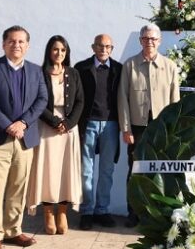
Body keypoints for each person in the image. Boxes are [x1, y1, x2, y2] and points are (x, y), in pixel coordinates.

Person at [0, 25, 48, 249]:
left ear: (27, 45)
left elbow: (42, 99)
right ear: (4, 44)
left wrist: (23, 123)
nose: (17, 45)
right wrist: (8, 125)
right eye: (12, 41)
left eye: (21, 42)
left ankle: (13, 230)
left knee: (19, 186)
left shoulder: (36, 71)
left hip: (25, 137)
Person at [118, 24, 180, 227]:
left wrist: (172, 129)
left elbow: (175, 101)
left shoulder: (170, 66)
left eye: (153, 39)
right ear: (140, 41)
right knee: (135, 170)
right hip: (138, 127)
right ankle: (133, 212)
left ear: (159, 41)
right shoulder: (130, 65)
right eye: (146, 39)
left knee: (160, 169)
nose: (149, 42)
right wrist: (126, 129)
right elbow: (123, 99)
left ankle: (158, 212)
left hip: (161, 127)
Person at [26, 36, 84, 234]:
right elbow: (37, 102)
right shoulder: (40, 74)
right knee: (48, 170)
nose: (59, 53)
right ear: (49, 51)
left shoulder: (73, 73)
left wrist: (67, 123)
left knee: (65, 171)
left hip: (68, 130)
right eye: (55, 49)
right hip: (47, 127)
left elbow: (80, 102)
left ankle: (63, 212)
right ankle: (48, 212)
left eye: (63, 50)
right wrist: (54, 122)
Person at [74, 34, 122, 230]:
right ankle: (87, 211)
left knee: (107, 171)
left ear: (112, 49)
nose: (104, 49)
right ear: (93, 47)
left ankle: (102, 210)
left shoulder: (119, 69)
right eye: (100, 46)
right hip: (88, 124)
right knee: (86, 171)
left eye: (108, 46)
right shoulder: (81, 68)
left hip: (111, 125)